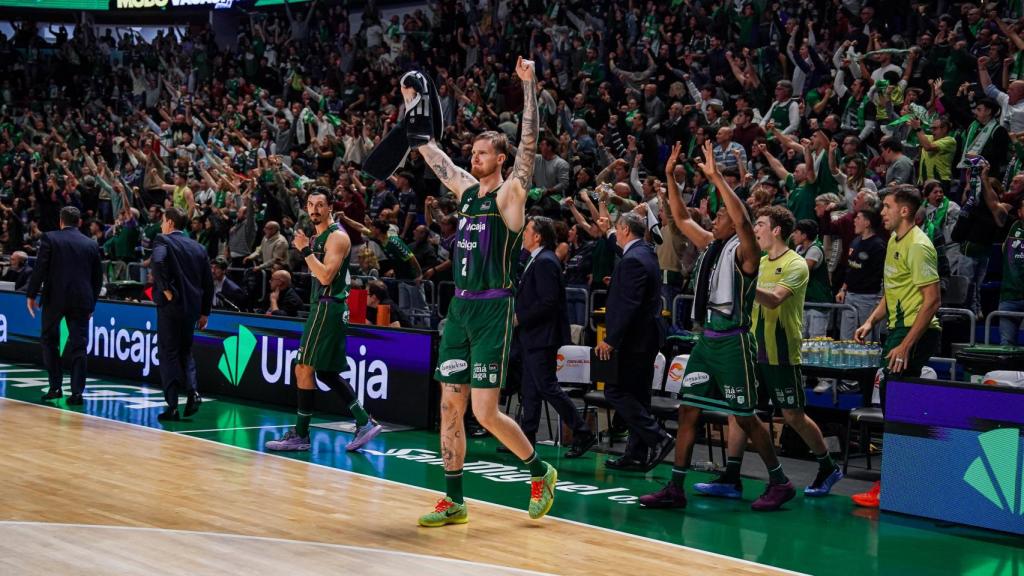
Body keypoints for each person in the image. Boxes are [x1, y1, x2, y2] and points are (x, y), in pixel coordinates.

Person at [414, 57, 557, 527]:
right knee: (448, 404)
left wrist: (529, 86)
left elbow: (530, 147)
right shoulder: (467, 191)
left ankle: (540, 471)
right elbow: (435, 157)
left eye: (481, 153)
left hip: (495, 307)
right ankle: (454, 500)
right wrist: (414, 110)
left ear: (499, 158)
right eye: (471, 153)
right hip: (460, 307)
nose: (473, 159)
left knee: (485, 410)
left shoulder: (508, 196)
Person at [640, 141, 795, 512]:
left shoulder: (746, 252)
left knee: (745, 415)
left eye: (720, 215)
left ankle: (780, 481)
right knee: (687, 410)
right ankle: (676, 486)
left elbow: (742, 219)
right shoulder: (711, 244)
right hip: (706, 343)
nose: (715, 219)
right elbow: (680, 218)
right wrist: (669, 178)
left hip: (734, 343)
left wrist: (716, 179)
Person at [692, 205, 843, 501]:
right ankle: (731, 477)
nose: (754, 229)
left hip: (780, 352)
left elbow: (774, 300)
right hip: (749, 347)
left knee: (793, 416)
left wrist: (744, 286)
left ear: (776, 230)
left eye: (759, 224)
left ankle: (828, 466)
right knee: (739, 411)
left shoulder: (796, 264)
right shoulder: (758, 261)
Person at [265, 188, 384, 452]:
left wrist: (305, 250)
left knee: (302, 367)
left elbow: (326, 277)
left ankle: (301, 434)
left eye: (320, 205)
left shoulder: (337, 237)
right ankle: (364, 421)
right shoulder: (320, 236)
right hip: (325, 306)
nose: (314, 209)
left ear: (330, 207)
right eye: (310, 205)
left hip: (328, 307)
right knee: (327, 371)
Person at [851, 186, 941, 508]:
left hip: (917, 332)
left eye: (887, 206)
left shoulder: (919, 246)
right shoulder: (893, 242)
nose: (882, 212)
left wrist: (905, 345)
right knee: (896, 406)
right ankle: (905, 481)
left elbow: (932, 301)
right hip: (896, 330)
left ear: (904, 211)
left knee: (896, 406)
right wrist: (870, 321)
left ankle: (895, 484)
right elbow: (892, 293)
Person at [595, 209, 673, 471]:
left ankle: (658, 437)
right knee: (639, 398)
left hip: (634, 340)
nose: (616, 233)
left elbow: (628, 304)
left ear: (626, 230)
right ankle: (637, 454)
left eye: (617, 229)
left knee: (615, 391)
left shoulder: (633, 260)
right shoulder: (645, 252)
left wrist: (611, 340)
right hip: (646, 338)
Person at [517, 216, 596, 459]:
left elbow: (549, 302)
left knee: (547, 387)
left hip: (543, 336)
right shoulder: (537, 259)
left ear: (538, 236)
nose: (524, 234)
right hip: (534, 335)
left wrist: (521, 318)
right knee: (530, 389)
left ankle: (582, 431)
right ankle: (525, 440)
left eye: (527, 230)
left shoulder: (545, 262)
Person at [25, 206, 102, 405]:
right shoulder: (91, 244)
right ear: (79, 222)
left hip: (55, 299)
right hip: (81, 300)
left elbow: (40, 268)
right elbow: (97, 279)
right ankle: (77, 393)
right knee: (79, 346)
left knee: (50, 341)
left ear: (61, 221)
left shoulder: (50, 238)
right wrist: (92, 303)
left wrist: (31, 294)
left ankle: (55, 387)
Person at [150, 207, 213, 421]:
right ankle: (193, 392)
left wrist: (166, 289)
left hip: (171, 306)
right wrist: (205, 312)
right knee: (186, 352)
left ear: (169, 222)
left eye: (162, 221)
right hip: (192, 309)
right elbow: (208, 283)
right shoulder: (198, 247)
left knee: (168, 353)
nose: (161, 226)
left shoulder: (162, 240)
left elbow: (158, 262)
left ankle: (173, 406)